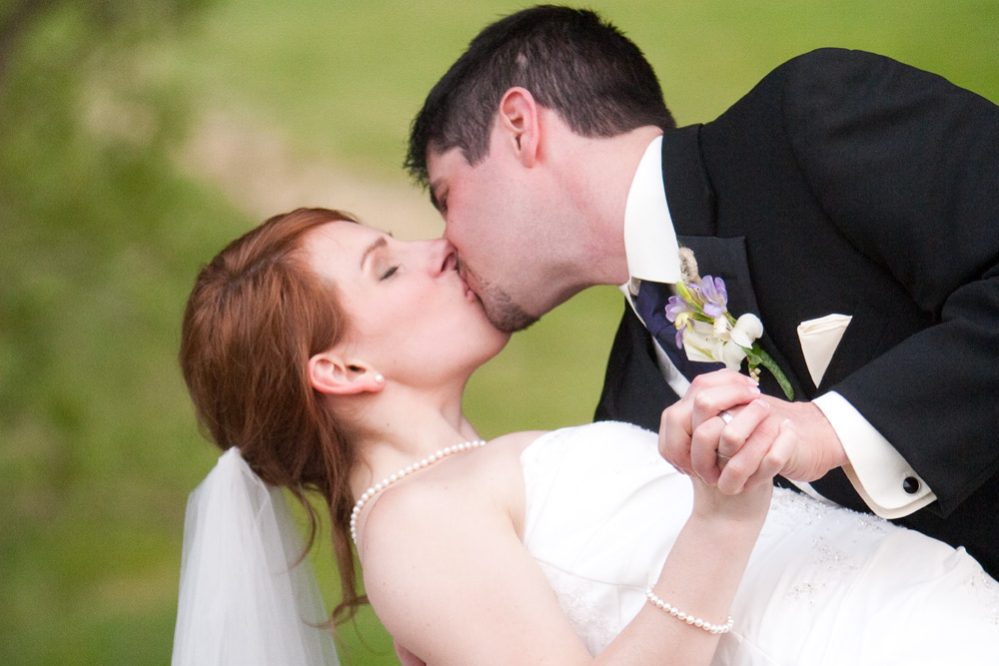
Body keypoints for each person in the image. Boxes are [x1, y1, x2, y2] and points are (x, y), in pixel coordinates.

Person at [174, 207, 999, 665]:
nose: (436, 251)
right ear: (343, 372)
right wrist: (719, 519)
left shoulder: (463, 484)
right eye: (387, 268)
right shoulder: (409, 521)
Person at [404, 5, 999, 576]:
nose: (446, 245)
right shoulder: (625, 422)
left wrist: (829, 429)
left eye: (444, 196)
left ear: (518, 127)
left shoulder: (814, 118)